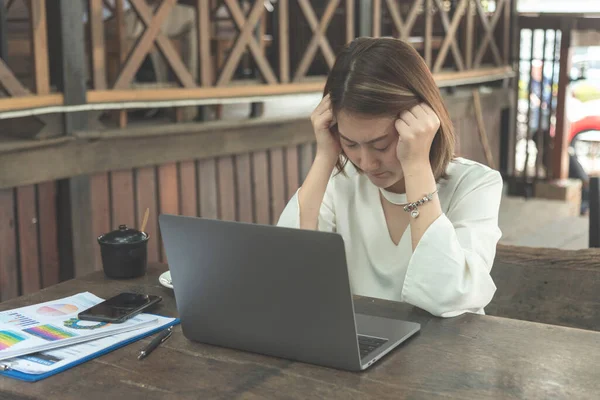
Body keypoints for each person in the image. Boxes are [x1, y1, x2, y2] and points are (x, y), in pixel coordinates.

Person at [277, 37, 503, 318]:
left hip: (449, 354)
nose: (367, 163)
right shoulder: (342, 183)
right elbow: (285, 269)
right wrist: (325, 156)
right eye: (350, 143)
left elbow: (447, 295)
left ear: (420, 124)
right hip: (365, 350)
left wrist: (417, 165)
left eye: (381, 145)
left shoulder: (476, 185)